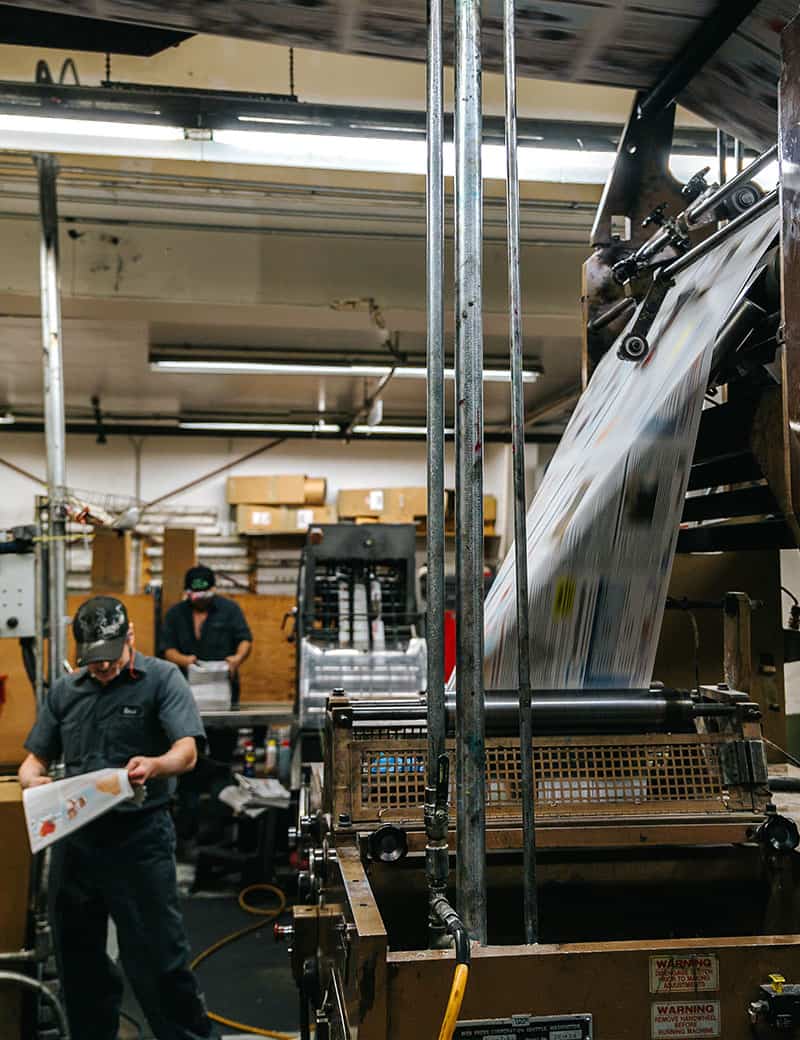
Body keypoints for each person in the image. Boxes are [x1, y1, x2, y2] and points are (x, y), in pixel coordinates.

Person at [18, 595, 216, 1040]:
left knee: (158, 959)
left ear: (130, 638)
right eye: (94, 660)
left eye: (109, 657)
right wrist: (33, 779)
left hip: (139, 840)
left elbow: (186, 751)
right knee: (78, 962)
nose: (103, 667)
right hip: (77, 841)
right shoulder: (66, 692)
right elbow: (33, 760)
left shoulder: (161, 678)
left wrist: (156, 765)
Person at [160, 565, 253, 706]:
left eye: (205, 595)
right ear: (187, 593)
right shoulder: (175, 614)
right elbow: (167, 648)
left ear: (213, 590)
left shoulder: (230, 610)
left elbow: (245, 639)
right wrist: (184, 660)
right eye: (195, 596)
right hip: (184, 686)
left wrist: (237, 658)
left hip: (223, 687)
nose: (200, 600)